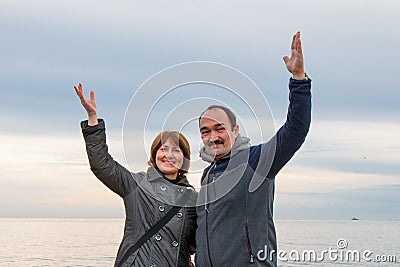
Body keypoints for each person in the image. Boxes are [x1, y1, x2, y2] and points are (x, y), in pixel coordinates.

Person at [195, 32, 312, 266]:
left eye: (220, 129)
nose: (213, 137)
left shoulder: (257, 160)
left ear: (235, 130)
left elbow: (295, 130)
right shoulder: (208, 174)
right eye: (205, 131)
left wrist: (298, 79)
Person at [74, 83, 197, 267]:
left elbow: (199, 241)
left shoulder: (193, 199)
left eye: (176, 150)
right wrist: (93, 119)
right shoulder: (137, 185)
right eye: (163, 149)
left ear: (184, 159)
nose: (169, 155)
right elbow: (102, 165)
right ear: (155, 156)